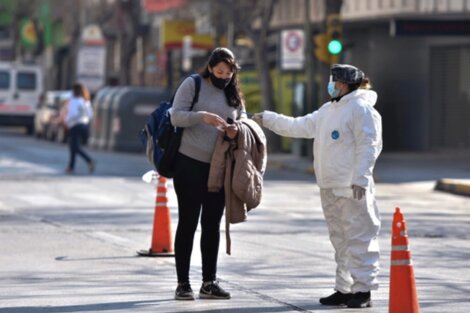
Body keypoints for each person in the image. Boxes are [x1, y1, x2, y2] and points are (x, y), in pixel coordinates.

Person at [254, 64, 382, 309]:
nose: (331, 84)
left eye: (334, 81)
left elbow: (369, 146)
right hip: (330, 185)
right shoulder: (329, 110)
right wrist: (268, 119)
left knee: (359, 237)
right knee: (340, 240)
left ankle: (363, 290)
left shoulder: (361, 109)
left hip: (351, 186)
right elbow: (298, 126)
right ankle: (345, 289)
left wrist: (361, 179)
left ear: (344, 84)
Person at [170, 47, 245, 300]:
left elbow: (242, 120)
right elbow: (175, 117)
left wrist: (236, 130)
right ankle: (182, 283)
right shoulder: (193, 84)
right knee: (188, 223)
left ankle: (209, 282)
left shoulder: (234, 93)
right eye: (219, 71)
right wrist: (202, 117)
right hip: (189, 163)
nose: (223, 76)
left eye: (228, 72)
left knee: (211, 225)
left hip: (219, 167)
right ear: (210, 68)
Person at [65, 83, 95, 174]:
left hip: (75, 125)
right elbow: (90, 114)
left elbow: (72, 114)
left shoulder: (74, 101)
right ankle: (71, 167)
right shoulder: (86, 101)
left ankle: (89, 160)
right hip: (84, 125)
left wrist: (67, 121)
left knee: (75, 147)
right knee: (73, 147)